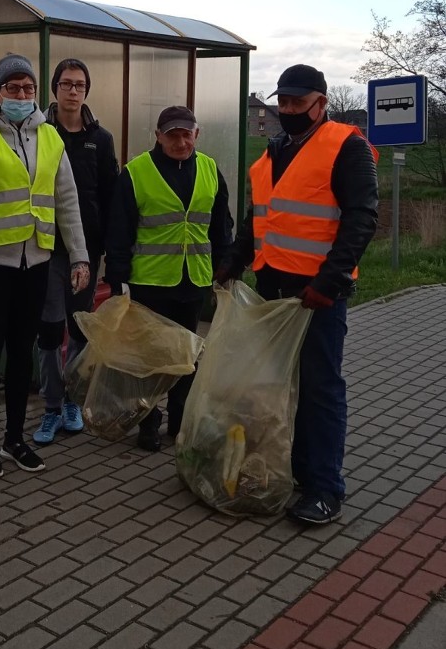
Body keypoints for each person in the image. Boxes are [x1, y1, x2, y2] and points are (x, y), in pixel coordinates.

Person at [216, 64, 378, 525]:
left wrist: (329, 283)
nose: (287, 111)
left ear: (320, 104)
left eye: (296, 103)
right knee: (284, 388)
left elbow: (362, 219)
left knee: (321, 388)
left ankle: (326, 487)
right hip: (273, 288)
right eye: (282, 102)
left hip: (317, 296)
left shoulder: (346, 148)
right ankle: (299, 471)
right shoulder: (273, 153)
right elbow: (258, 219)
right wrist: (233, 262)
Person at [0, 53, 90, 478]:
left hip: (36, 263)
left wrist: (80, 254)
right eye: (13, 88)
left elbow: (67, 199)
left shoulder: (49, 137)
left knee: (21, 355)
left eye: (28, 88)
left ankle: (15, 438)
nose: (22, 95)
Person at [106, 105, 233, 450]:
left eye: (186, 134)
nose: (181, 141)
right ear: (158, 136)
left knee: (186, 357)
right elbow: (119, 231)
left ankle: (179, 420)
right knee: (149, 359)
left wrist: (226, 270)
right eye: (173, 134)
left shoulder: (209, 169)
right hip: (150, 283)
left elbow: (221, 226)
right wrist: (117, 280)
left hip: (194, 282)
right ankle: (148, 422)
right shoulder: (136, 172)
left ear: (197, 134)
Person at [33, 58, 119, 444]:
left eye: (79, 85)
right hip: (47, 248)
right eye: (66, 84)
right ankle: (51, 406)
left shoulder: (100, 139)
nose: (73, 91)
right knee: (50, 327)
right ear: (55, 89)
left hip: (88, 248)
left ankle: (72, 399)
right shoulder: (38, 133)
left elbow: (110, 193)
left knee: (79, 326)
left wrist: (107, 246)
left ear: (87, 90)